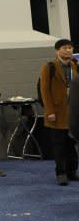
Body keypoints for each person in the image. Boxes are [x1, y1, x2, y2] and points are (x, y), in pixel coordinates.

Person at [40, 39, 78, 186]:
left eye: (70, 47)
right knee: (59, 145)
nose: (68, 50)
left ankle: (72, 171)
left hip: (74, 113)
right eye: (65, 48)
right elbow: (45, 91)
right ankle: (61, 173)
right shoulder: (49, 67)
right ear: (57, 51)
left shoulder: (75, 66)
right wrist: (49, 111)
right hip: (56, 112)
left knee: (72, 145)